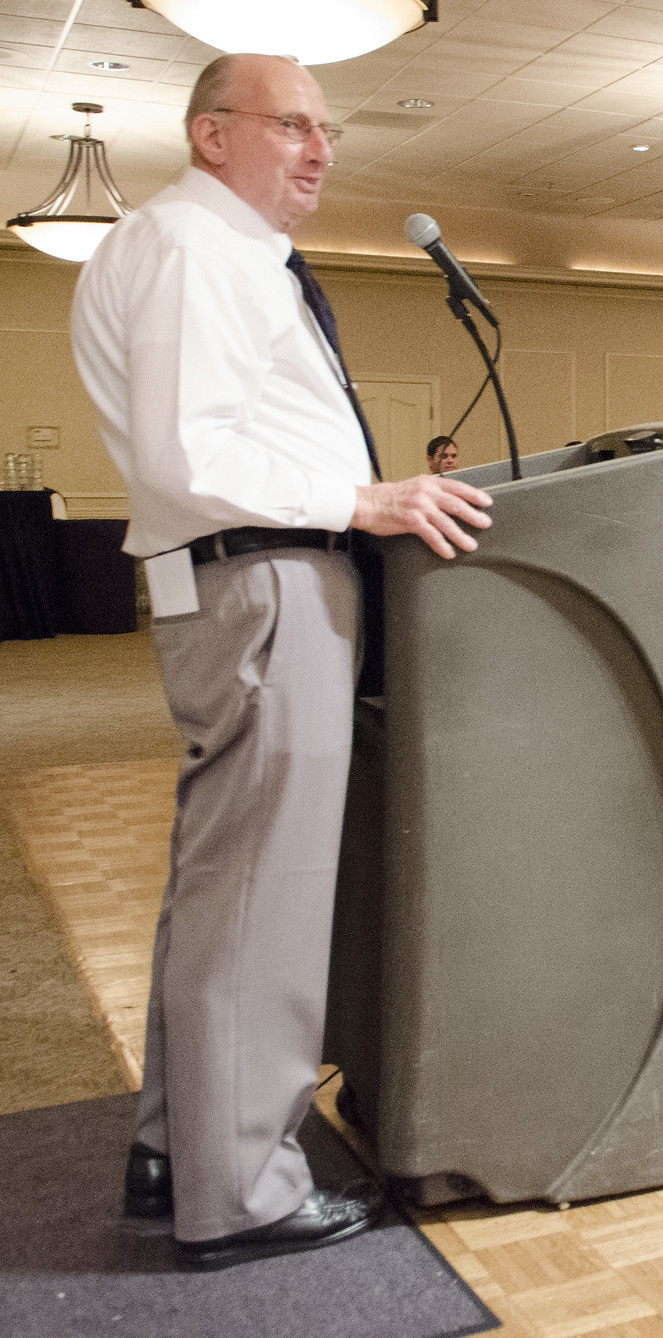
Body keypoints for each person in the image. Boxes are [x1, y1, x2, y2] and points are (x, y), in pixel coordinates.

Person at [71, 52, 493, 1270]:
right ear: (213, 135)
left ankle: (176, 1148)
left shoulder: (205, 249)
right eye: (291, 126)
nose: (319, 149)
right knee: (263, 893)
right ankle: (242, 1190)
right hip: (261, 575)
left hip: (239, 578)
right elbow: (185, 453)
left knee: (223, 886)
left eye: (327, 130)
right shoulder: (200, 250)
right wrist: (362, 501)